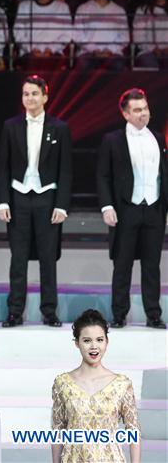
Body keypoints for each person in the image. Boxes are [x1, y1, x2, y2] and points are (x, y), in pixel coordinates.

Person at [0, 75, 72, 328]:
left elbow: (66, 170)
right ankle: (15, 311)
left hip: (47, 198)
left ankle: (49, 311)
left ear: (45, 97)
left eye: (35, 94)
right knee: (17, 258)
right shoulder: (11, 126)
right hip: (18, 196)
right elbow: (3, 165)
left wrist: (61, 205)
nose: (30, 98)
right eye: (26, 94)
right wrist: (3, 201)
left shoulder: (59, 128)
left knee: (48, 258)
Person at [97, 89, 167, 329]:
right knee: (122, 263)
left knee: (152, 265)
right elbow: (103, 175)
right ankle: (119, 314)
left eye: (145, 109)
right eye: (137, 110)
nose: (143, 114)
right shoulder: (112, 140)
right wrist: (107, 206)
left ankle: (153, 314)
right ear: (125, 114)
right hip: (126, 209)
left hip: (154, 208)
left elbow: (163, 175)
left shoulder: (157, 138)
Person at [51, 310, 141, 462]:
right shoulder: (63, 384)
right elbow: (58, 430)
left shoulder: (121, 385)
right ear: (77, 343)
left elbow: (133, 430)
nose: (94, 346)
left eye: (99, 340)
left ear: (107, 342)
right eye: (87, 341)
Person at [13, 0, 73, 70]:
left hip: (54, 53)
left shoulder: (62, 7)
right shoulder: (24, 6)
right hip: (29, 53)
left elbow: (67, 34)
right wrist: (32, 49)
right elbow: (18, 32)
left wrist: (51, 49)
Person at [73, 0, 129, 72]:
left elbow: (124, 37)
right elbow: (77, 35)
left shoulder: (119, 10)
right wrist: (94, 49)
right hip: (88, 53)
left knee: (118, 65)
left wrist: (109, 50)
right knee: (83, 65)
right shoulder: (83, 8)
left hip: (113, 53)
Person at [133, 0, 168, 69]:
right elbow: (138, 37)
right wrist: (152, 49)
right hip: (147, 52)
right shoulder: (142, 10)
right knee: (150, 65)